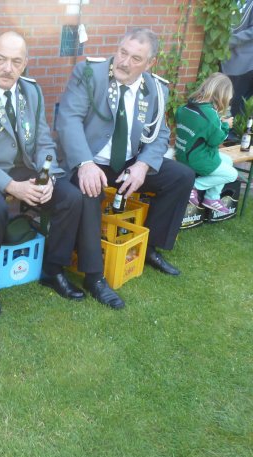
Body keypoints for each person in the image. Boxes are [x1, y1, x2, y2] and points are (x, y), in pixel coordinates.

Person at [0, 31, 126, 311]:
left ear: (25, 64)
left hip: (25, 169)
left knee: (70, 197)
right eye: (1, 59)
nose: (7, 68)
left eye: (16, 61)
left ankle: (52, 270)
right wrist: (13, 187)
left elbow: (44, 141)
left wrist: (48, 177)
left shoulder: (31, 91)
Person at [56, 28, 195, 279]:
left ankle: (149, 247)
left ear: (150, 64)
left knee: (181, 176)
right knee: (90, 190)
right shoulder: (89, 74)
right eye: (122, 52)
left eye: (135, 58)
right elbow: (68, 120)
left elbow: (160, 134)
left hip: (129, 163)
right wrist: (85, 163)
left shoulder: (155, 88)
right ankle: (94, 275)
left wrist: (142, 166)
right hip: (90, 159)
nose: (124, 62)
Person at [175, 72, 239, 214]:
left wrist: (216, 124)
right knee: (232, 174)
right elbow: (216, 141)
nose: (229, 100)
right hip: (196, 159)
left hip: (183, 153)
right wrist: (226, 125)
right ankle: (192, 186)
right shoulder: (210, 114)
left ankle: (212, 197)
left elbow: (196, 129)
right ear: (221, 94)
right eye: (228, 97)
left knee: (228, 161)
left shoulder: (187, 106)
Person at [221, 0, 253, 117]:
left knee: (234, 103)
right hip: (225, 58)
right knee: (222, 99)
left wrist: (232, 40)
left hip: (244, 63)